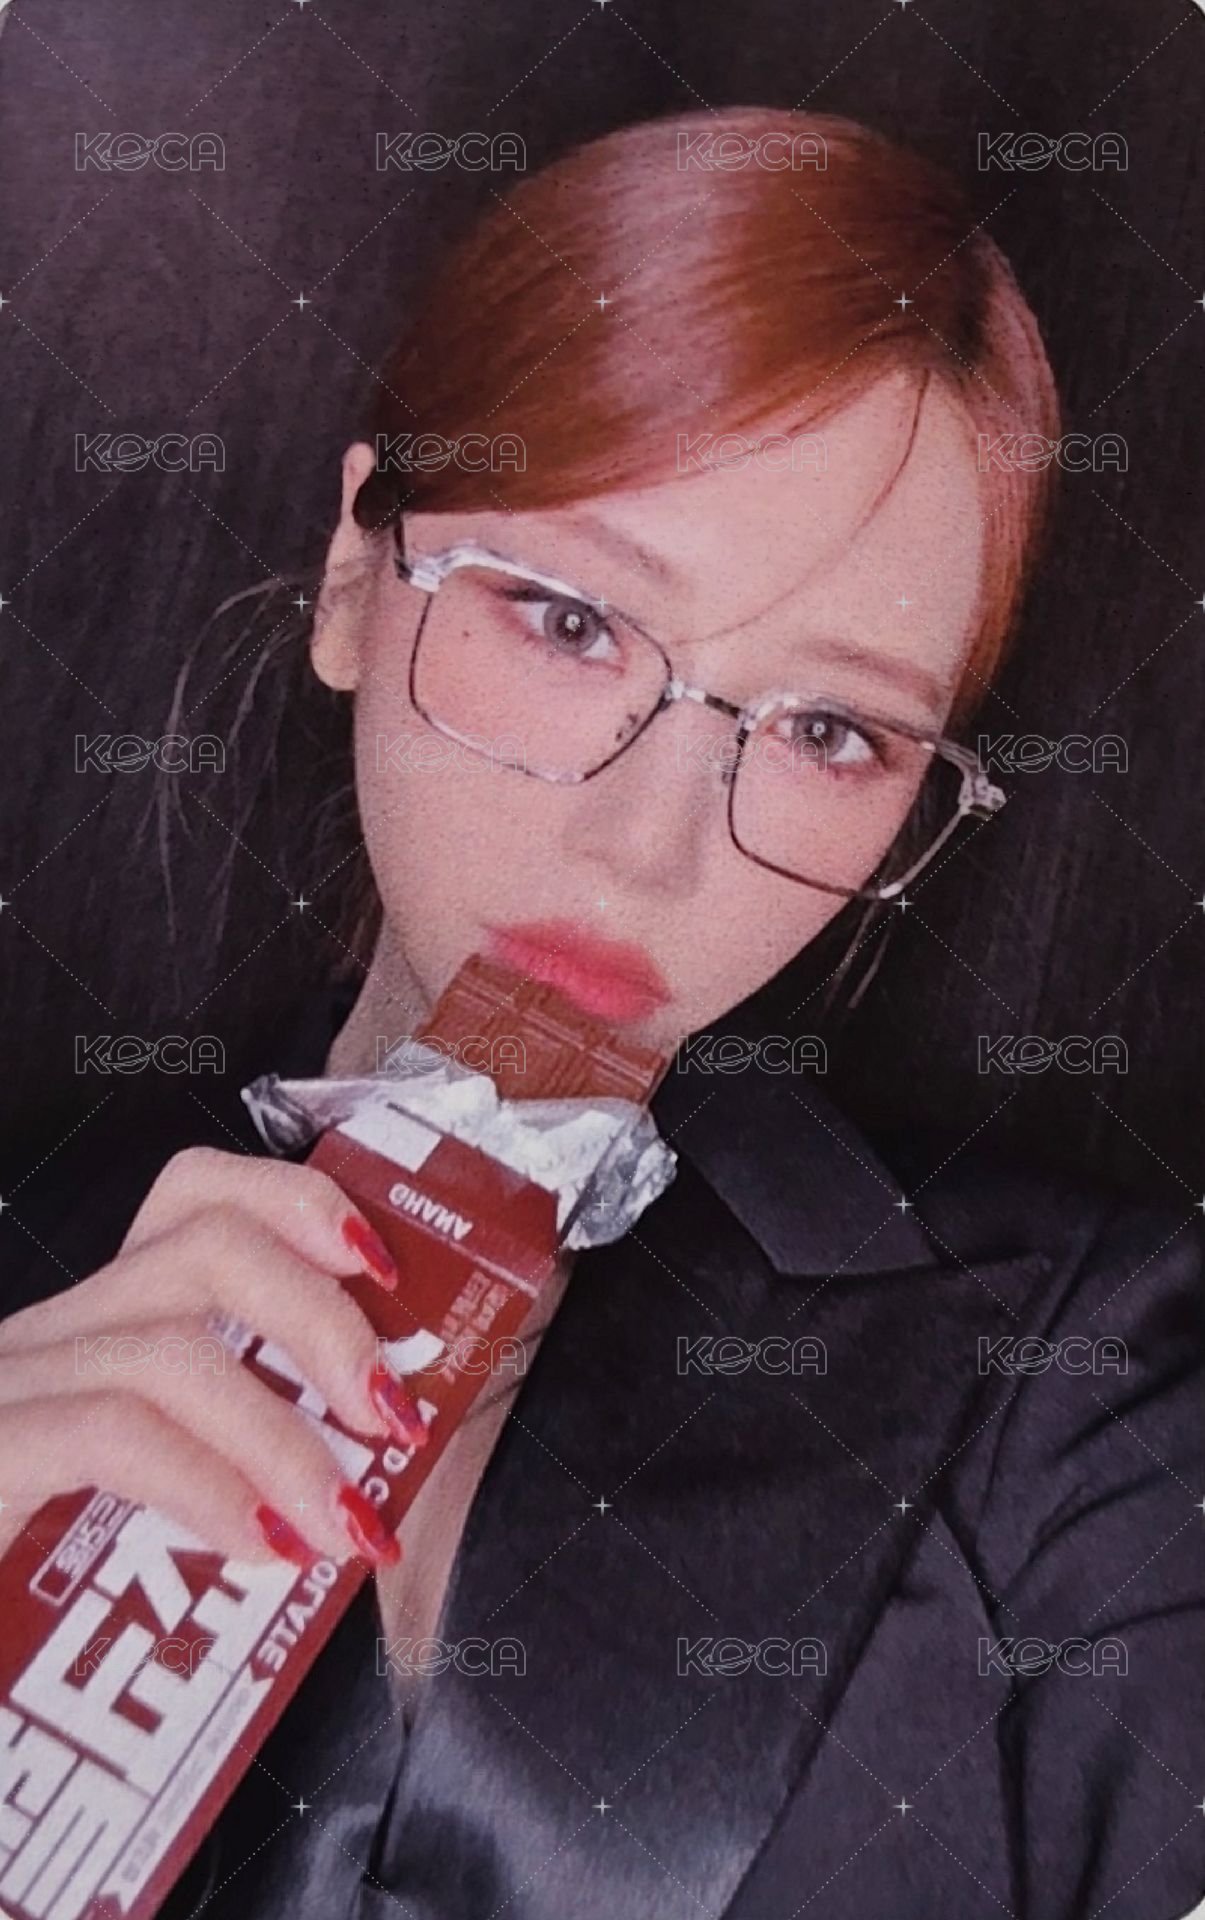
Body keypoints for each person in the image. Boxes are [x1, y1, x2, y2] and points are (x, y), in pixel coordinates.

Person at [2, 107, 1202, 1920]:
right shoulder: (27, 1280)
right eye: (568, 623)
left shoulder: (1086, 1403)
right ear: (356, 575)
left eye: (827, 731)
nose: (644, 846)